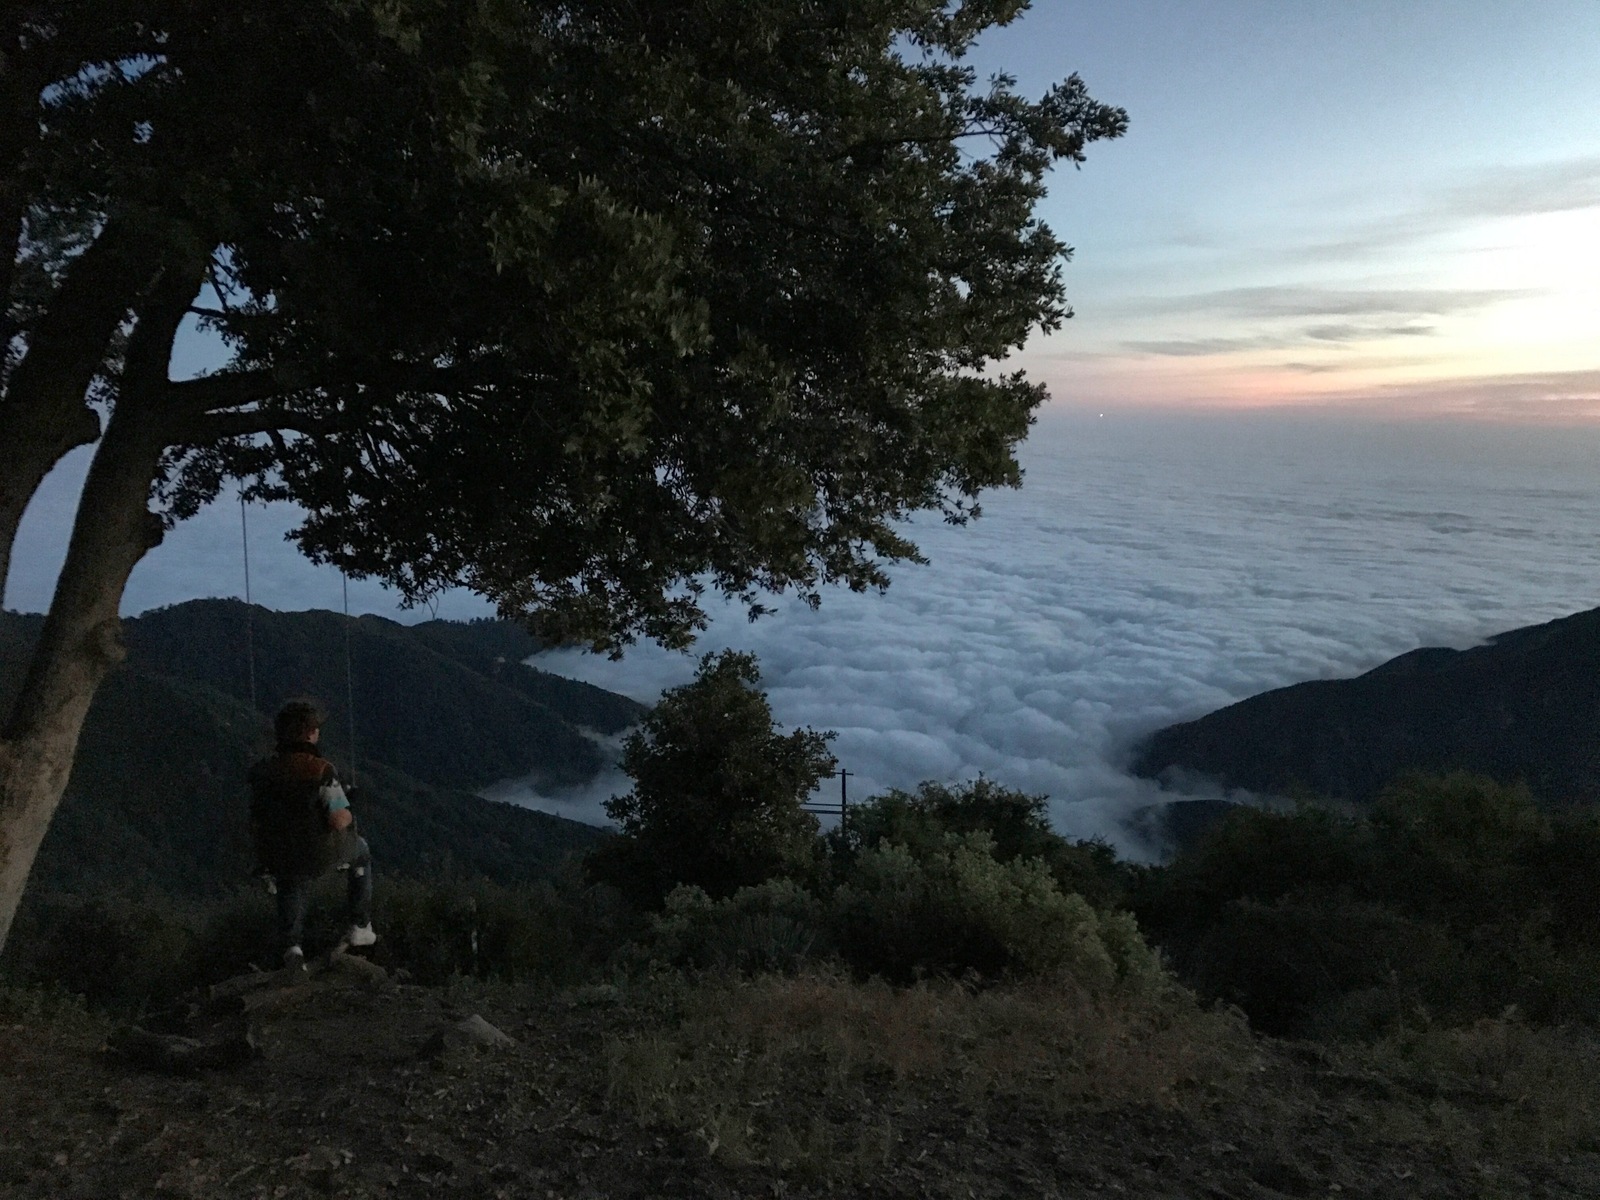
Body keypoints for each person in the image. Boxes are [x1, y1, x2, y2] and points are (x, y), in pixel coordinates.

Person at [248, 699, 377, 968]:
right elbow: (339, 820)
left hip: (275, 852)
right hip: (319, 852)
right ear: (308, 733)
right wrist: (352, 805)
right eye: (316, 728)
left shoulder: (264, 771)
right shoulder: (320, 770)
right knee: (361, 850)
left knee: (290, 881)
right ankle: (360, 925)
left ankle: (292, 948)